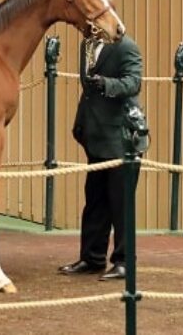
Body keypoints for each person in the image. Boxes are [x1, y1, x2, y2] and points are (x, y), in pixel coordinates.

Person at [58, 31, 143, 280]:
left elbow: (134, 83)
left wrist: (107, 84)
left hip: (122, 139)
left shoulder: (126, 46)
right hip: (96, 137)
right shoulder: (87, 44)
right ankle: (92, 258)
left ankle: (124, 263)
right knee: (95, 201)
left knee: (121, 205)